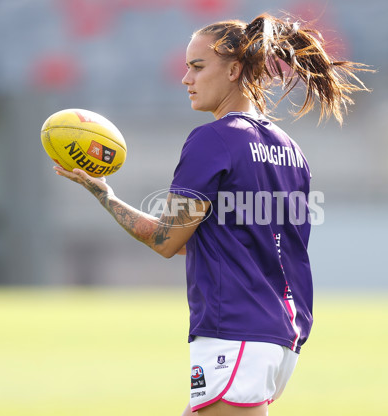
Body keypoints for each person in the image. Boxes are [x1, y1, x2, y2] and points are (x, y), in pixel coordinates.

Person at [54, 12, 369, 416]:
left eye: (198, 67)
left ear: (235, 69)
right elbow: (234, 242)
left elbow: (166, 240)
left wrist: (104, 196)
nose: (186, 79)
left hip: (235, 328)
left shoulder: (213, 140)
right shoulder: (291, 149)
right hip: (277, 332)